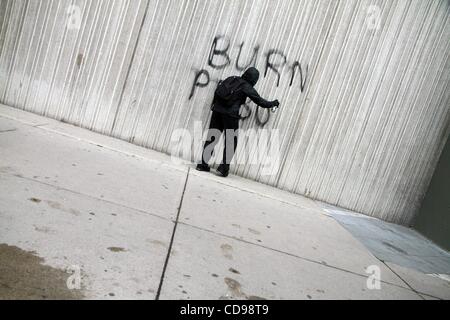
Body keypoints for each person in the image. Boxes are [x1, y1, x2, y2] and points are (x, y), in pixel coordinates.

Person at [196, 67, 280, 177]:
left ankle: (202, 164)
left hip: (217, 111)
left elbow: (217, 92)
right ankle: (223, 168)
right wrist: (273, 103)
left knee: (212, 137)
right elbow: (259, 101)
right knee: (231, 141)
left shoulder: (231, 79)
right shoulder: (246, 86)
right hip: (230, 115)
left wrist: (214, 106)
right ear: (254, 79)